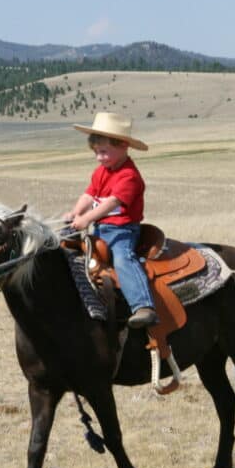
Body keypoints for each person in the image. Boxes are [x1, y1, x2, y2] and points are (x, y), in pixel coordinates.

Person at [64, 111, 157, 328]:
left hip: (122, 231)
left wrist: (86, 218)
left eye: (104, 152)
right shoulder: (101, 171)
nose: (100, 158)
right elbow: (89, 195)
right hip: (100, 229)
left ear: (123, 145)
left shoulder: (129, 176)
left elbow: (112, 203)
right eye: (97, 152)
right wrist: (75, 213)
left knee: (123, 259)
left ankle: (143, 305)